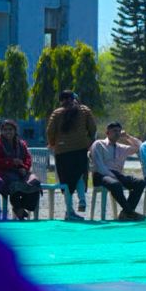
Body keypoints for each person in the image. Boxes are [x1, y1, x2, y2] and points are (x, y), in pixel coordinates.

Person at [45, 89, 96, 218]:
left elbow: (50, 131)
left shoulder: (56, 113)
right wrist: (88, 141)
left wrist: (53, 144)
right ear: (74, 98)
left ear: (61, 101)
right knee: (79, 176)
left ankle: (69, 210)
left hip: (62, 152)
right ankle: (82, 199)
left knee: (66, 181)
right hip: (80, 149)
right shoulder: (84, 110)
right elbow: (93, 128)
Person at [90, 122, 146, 221]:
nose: (117, 133)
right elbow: (99, 166)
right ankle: (130, 212)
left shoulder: (121, 147)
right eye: (114, 131)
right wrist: (113, 176)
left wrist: (127, 137)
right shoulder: (99, 144)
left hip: (117, 175)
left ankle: (125, 213)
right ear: (107, 133)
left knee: (140, 183)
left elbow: (140, 147)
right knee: (115, 184)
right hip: (101, 175)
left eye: (119, 131)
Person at [0, 119, 40, 220]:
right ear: (1, 131)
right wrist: (11, 162)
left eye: (10, 129)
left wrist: (24, 168)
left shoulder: (21, 144)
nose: (8, 132)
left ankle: (21, 206)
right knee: (13, 181)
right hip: (2, 172)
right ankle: (18, 208)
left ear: (15, 130)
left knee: (35, 182)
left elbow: (27, 158)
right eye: (5, 129)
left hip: (20, 171)